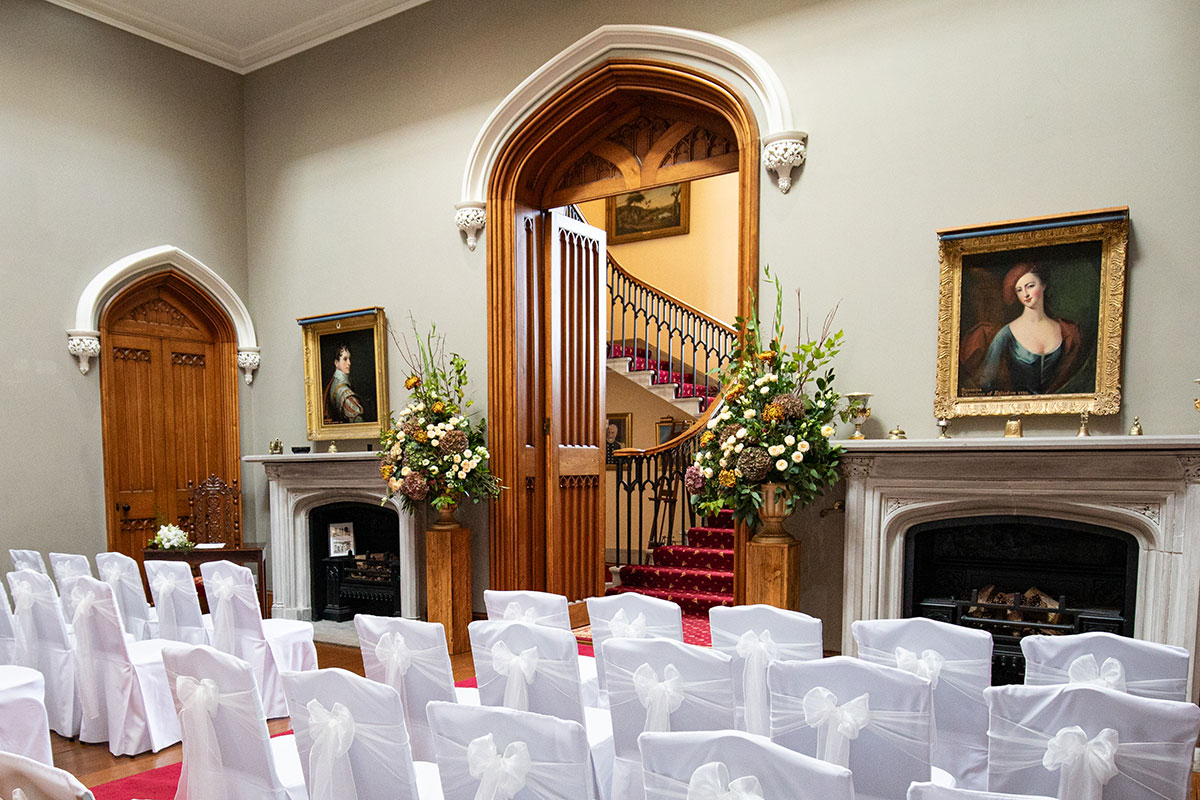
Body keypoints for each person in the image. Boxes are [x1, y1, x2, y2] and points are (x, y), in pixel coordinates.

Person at [978, 263, 1084, 395]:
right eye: (1019, 290)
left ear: (1043, 286)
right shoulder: (1006, 334)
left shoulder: (1068, 331)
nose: (1026, 294)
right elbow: (985, 382)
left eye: (1030, 286)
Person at [324, 344, 365, 423]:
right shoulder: (344, 393)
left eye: (349, 359)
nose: (349, 363)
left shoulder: (334, 381)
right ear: (336, 363)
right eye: (345, 359)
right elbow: (359, 423)